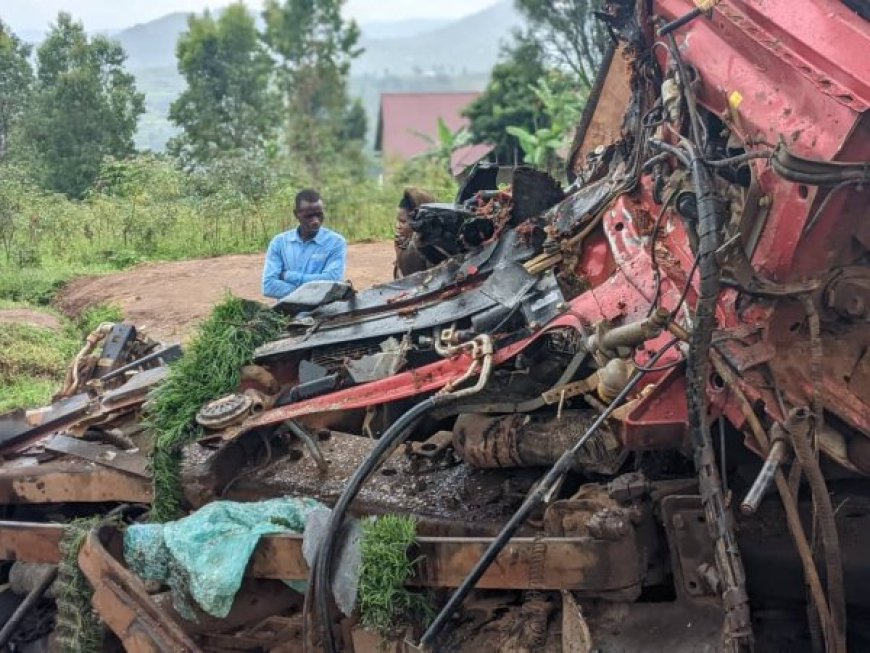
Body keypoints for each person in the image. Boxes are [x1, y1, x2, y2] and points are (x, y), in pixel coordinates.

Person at [262, 189, 348, 300]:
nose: (315, 221)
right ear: (296, 214)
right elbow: (269, 286)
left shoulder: (336, 242)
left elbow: (331, 282)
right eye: (309, 216)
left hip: (324, 313)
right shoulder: (279, 243)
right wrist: (313, 292)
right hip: (287, 314)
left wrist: (287, 275)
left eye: (319, 215)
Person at [393, 187, 436, 279]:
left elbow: (411, 283)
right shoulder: (407, 242)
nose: (397, 226)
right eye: (397, 221)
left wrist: (400, 254)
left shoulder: (424, 247)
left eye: (403, 221)